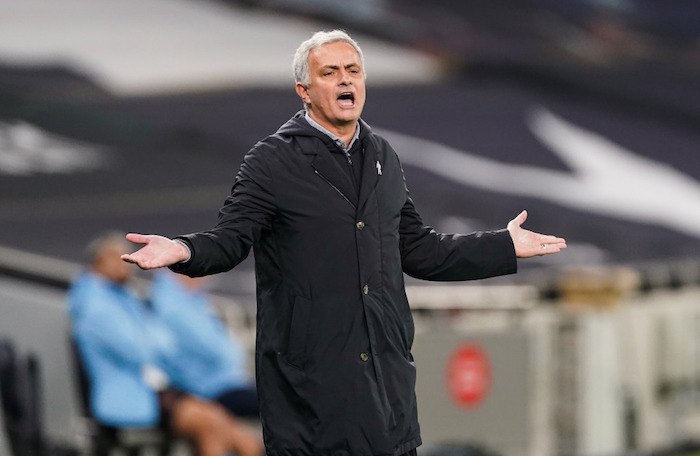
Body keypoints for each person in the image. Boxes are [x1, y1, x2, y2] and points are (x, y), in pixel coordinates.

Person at [121, 30, 567, 456]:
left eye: (353, 70)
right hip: (314, 396)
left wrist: (502, 245)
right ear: (304, 90)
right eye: (330, 72)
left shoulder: (383, 156)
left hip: (388, 388)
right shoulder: (271, 161)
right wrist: (183, 249)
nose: (345, 80)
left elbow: (420, 251)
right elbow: (229, 240)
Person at [67, 232, 263, 456]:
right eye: (115, 259)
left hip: (149, 391)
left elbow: (151, 342)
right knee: (209, 423)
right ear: (97, 264)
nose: (125, 266)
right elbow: (142, 350)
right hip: (128, 399)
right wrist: (157, 341)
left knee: (227, 427)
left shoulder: (121, 299)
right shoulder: (98, 308)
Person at [148, 270, 259, 418]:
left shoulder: (188, 299)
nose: (206, 276)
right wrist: (233, 352)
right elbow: (216, 351)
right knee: (280, 401)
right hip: (212, 389)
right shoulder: (173, 305)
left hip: (225, 384)